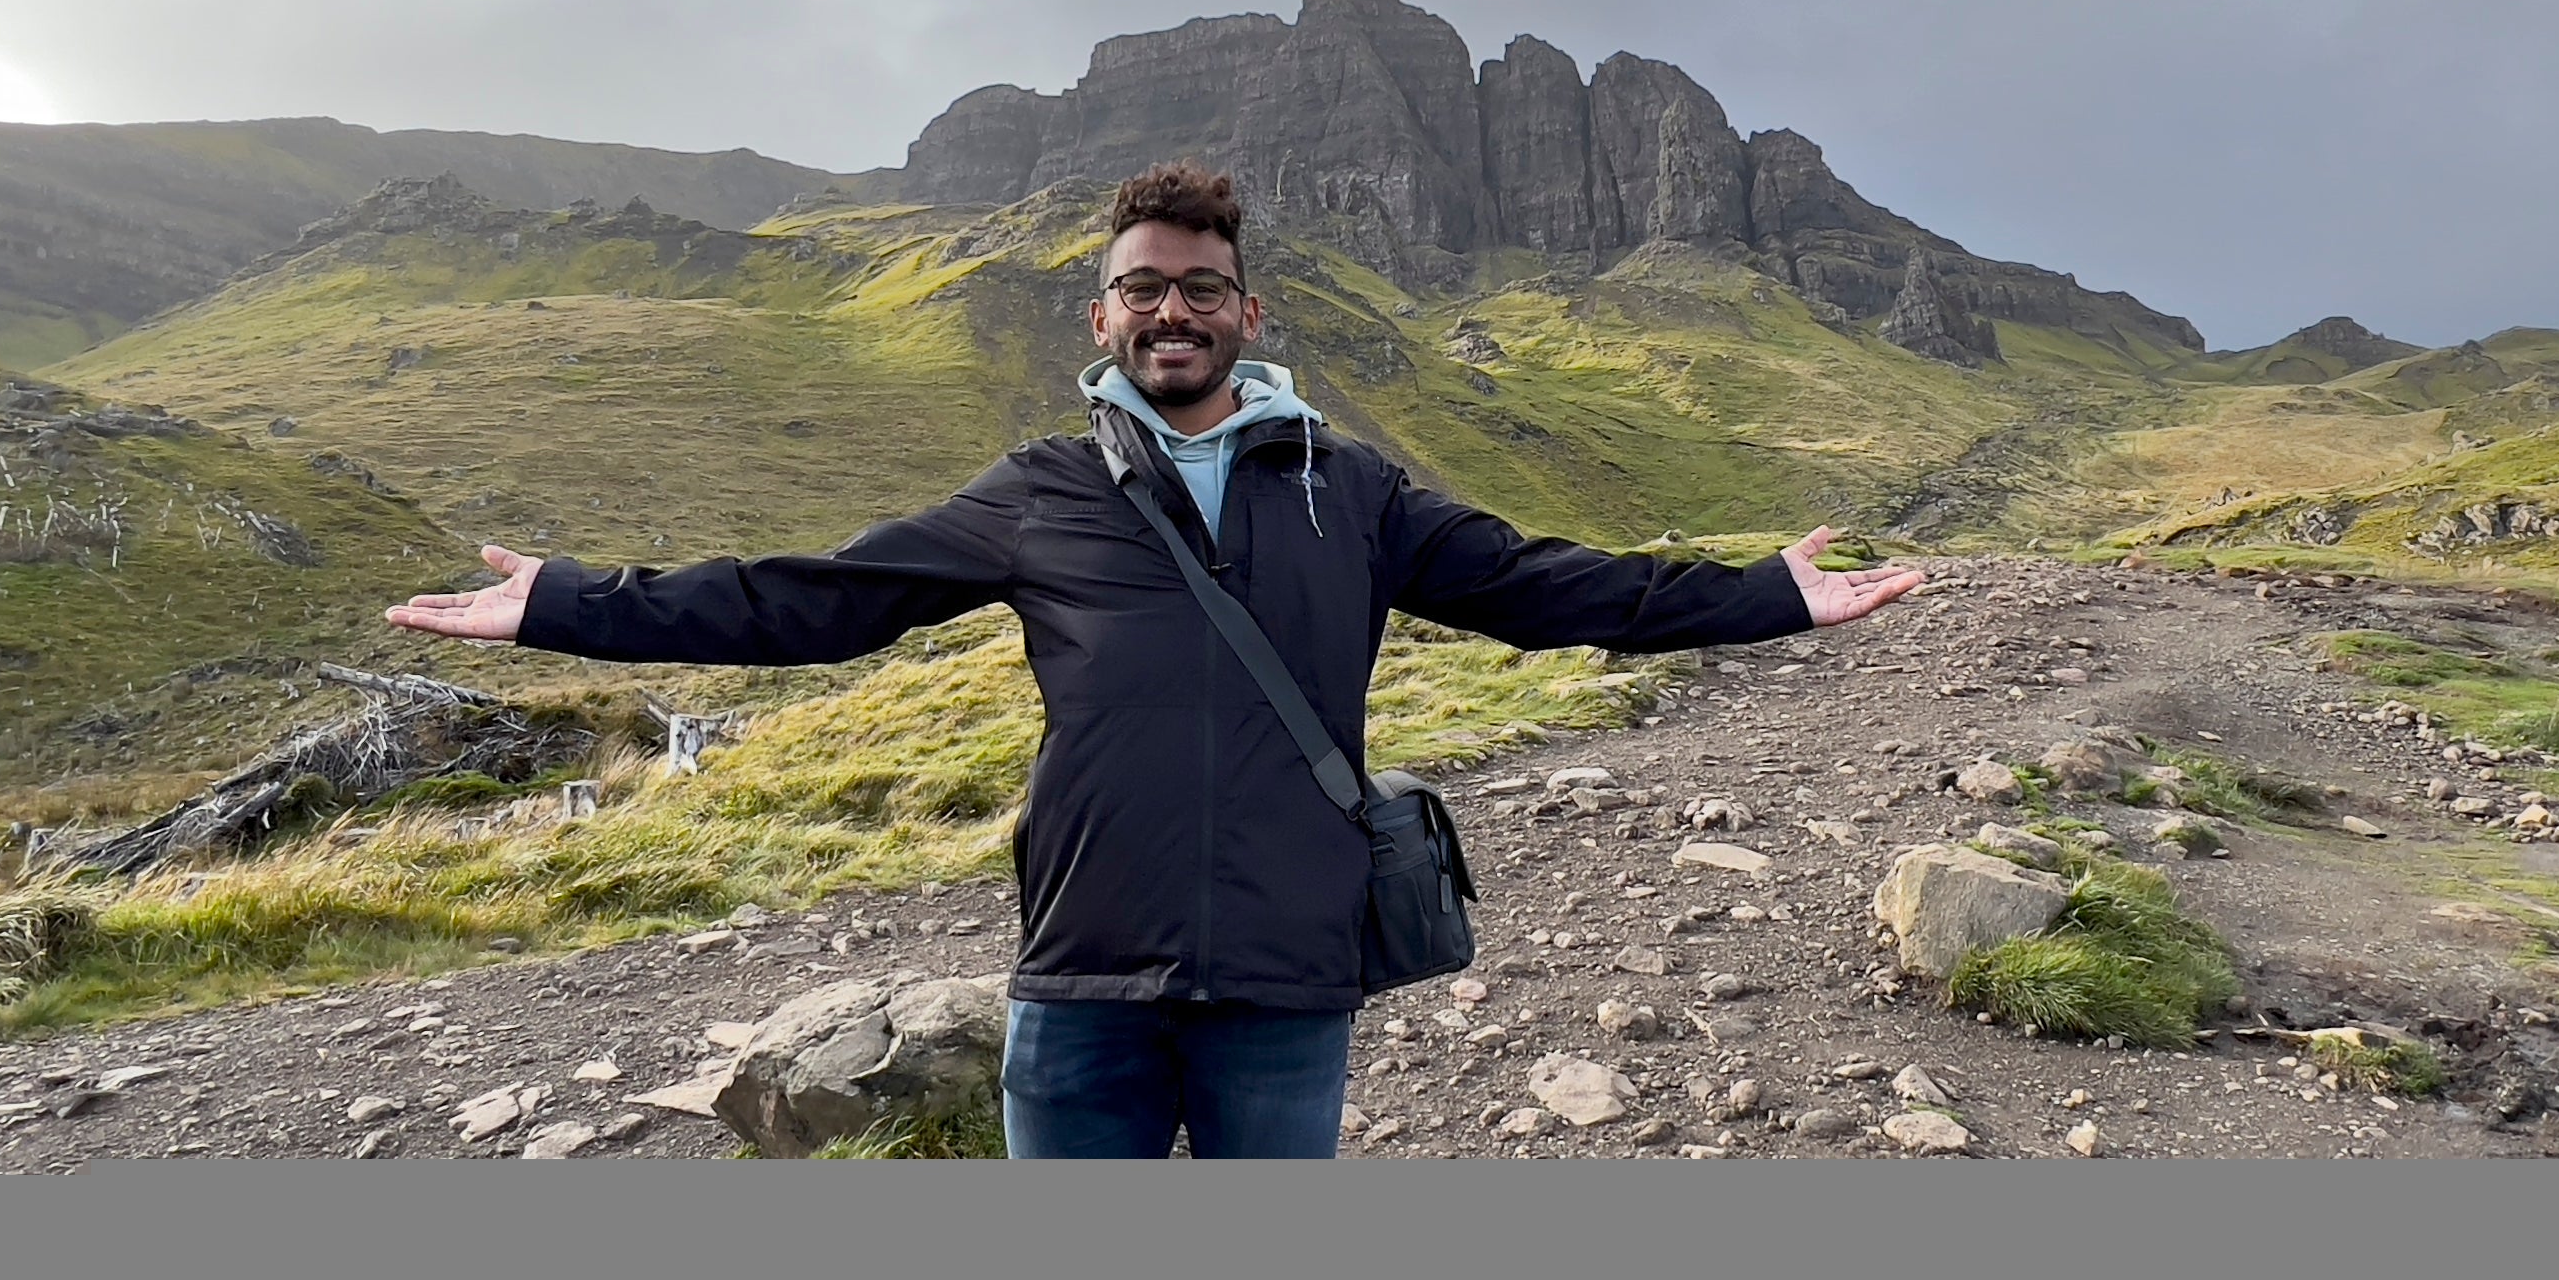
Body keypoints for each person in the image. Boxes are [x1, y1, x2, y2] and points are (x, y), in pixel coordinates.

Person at [384, 161, 1924, 1157]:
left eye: (1200, 289)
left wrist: (1763, 598)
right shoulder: (1039, 491)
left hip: (1284, 975)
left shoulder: (1350, 482)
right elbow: (812, 600)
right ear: (1106, 313)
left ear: (1245, 314)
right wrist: (567, 603)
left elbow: (1542, 587)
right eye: (1143, 288)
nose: (1171, 310)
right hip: (1083, 969)